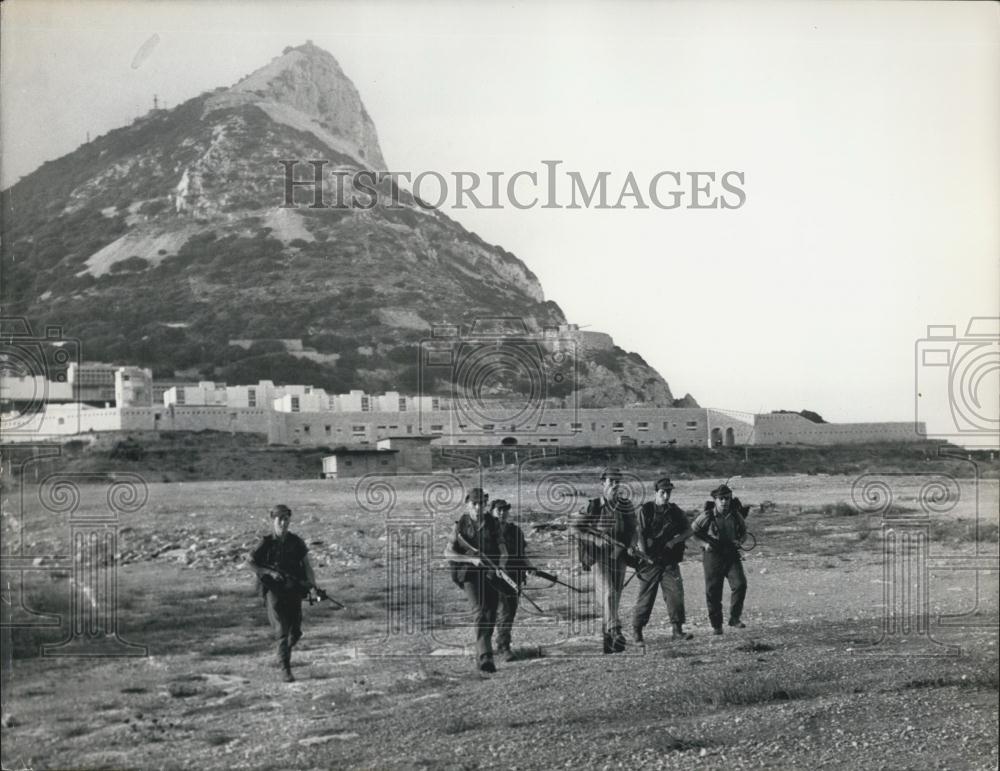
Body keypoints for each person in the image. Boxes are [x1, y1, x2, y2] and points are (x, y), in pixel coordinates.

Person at [247, 504, 320, 682]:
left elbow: (307, 566)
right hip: (272, 590)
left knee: (295, 632)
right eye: (279, 519)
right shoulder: (266, 542)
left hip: (292, 588)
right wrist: (269, 573)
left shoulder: (296, 542)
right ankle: (285, 668)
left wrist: (313, 586)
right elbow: (250, 563)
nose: (283, 522)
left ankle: (283, 650)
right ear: (273, 521)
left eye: (286, 519)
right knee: (281, 629)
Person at [569, 467, 637, 653]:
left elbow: (634, 530)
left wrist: (632, 545)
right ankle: (616, 631)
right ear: (603, 484)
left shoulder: (626, 505)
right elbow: (574, 529)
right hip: (599, 557)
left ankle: (609, 641)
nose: (615, 485)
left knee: (614, 596)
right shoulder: (593, 506)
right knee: (608, 593)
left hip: (619, 556)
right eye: (611, 481)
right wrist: (597, 540)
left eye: (617, 481)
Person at [630, 477, 695, 643]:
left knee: (675, 594)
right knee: (646, 596)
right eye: (662, 492)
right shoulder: (646, 510)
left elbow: (689, 531)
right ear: (656, 492)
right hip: (649, 562)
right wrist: (645, 555)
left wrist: (674, 541)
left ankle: (677, 630)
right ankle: (637, 630)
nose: (666, 496)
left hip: (668, 560)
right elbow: (640, 534)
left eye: (669, 492)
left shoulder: (675, 511)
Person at [448, 487, 504, 673]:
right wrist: (470, 559)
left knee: (491, 614)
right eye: (474, 503)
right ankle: (485, 656)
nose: (478, 507)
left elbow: (503, 549)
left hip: (491, 572)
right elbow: (448, 552)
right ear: (467, 504)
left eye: (482, 503)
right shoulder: (460, 525)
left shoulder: (493, 523)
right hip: (469, 574)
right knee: (479, 612)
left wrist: (501, 565)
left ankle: (482, 652)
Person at [692, 483, 748, 635]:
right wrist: (704, 544)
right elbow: (693, 532)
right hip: (713, 555)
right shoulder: (707, 516)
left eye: (727, 498)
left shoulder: (736, 515)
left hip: (731, 554)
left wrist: (740, 541)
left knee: (740, 584)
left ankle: (734, 618)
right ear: (715, 500)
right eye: (721, 499)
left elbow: (744, 532)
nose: (724, 502)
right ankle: (717, 625)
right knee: (713, 591)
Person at [491, 498, 531, 662]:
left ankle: (500, 644)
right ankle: (504, 647)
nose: (502, 513)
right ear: (492, 511)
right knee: (504, 611)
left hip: (515, 576)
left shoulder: (515, 531)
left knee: (510, 611)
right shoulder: (487, 531)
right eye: (499, 510)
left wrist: (530, 567)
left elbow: (523, 554)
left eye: (505, 510)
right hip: (494, 578)